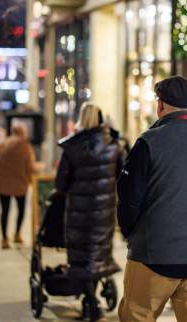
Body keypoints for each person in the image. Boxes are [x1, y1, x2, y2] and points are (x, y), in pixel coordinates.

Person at [117, 76, 187, 322]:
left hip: (154, 253)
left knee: (137, 315)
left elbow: (129, 198)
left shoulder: (149, 141)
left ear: (161, 105)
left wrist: (131, 233)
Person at [55, 103, 125, 321]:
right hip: (103, 213)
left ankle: (90, 301)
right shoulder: (115, 146)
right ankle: (91, 300)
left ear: (81, 119)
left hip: (78, 212)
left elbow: (60, 184)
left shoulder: (72, 148)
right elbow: (124, 178)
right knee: (97, 255)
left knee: (80, 257)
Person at [0, 122, 37, 249]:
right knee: (21, 210)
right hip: (20, 183)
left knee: (5, 211)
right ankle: (17, 234)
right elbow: (30, 167)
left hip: (3, 183)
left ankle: (4, 239)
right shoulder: (25, 146)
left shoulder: (4, 143)